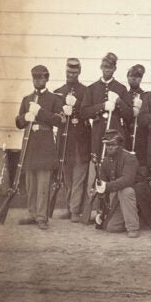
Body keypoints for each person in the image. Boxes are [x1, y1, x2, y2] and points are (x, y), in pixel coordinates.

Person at [15, 65, 65, 230]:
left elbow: (59, 120)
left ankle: (42, 217)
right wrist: (25, 117)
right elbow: (18, 123)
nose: (37, 80)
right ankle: (31, 214)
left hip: (45, 144)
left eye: (41, 77)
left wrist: (40, 112)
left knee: (43, 182)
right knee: (31, 182)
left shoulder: (54, 99)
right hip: (30, 144)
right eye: (35, 77)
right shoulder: (26, 99)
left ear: (47, 78)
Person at [54, 58, 91, 223]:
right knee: (67, 177)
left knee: (79, 177)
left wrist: (76, 108)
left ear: (79, 72)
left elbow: (87, 113)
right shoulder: (58, 91)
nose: (71, 75)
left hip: (81, 140)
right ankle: (70, 208)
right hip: (65, 140)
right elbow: (54, 115)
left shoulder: (86, 91)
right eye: (69, 72)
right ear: (65, 71)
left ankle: (76, 210)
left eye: (75, 73)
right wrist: (62, 112)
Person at [80, 52, 133, 164]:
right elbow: (84, 112)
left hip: (115, 130)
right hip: (98, 132)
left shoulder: (121, 88)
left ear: (115, 68)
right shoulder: (92, 88)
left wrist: (119, 101)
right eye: (105, 67)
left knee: (115, 161)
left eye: (110, 67)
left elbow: (129, 114)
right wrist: (102, 106)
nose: (107, 70)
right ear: (101, 67)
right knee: (98, 161)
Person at [94, 129, 140, 238]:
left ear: (120, 144)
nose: (109, 147)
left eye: (113, 144)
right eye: (107, 144)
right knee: (111, 228)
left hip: (135, 195)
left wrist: (107, 186)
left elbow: (127, 180)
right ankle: (134, 217)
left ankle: (133, 227)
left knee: (126, 190)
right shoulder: (105, 160)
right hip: (117, 198)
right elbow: (103, 181)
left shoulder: (129, 157)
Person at [125, 64, 148, 167]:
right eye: (131, 76)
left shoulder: (146, 96)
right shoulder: (123, 95)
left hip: (140, 136)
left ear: (141, 78)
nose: (133, 78)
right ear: (127, 77)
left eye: (137, 76)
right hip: (125, 134)